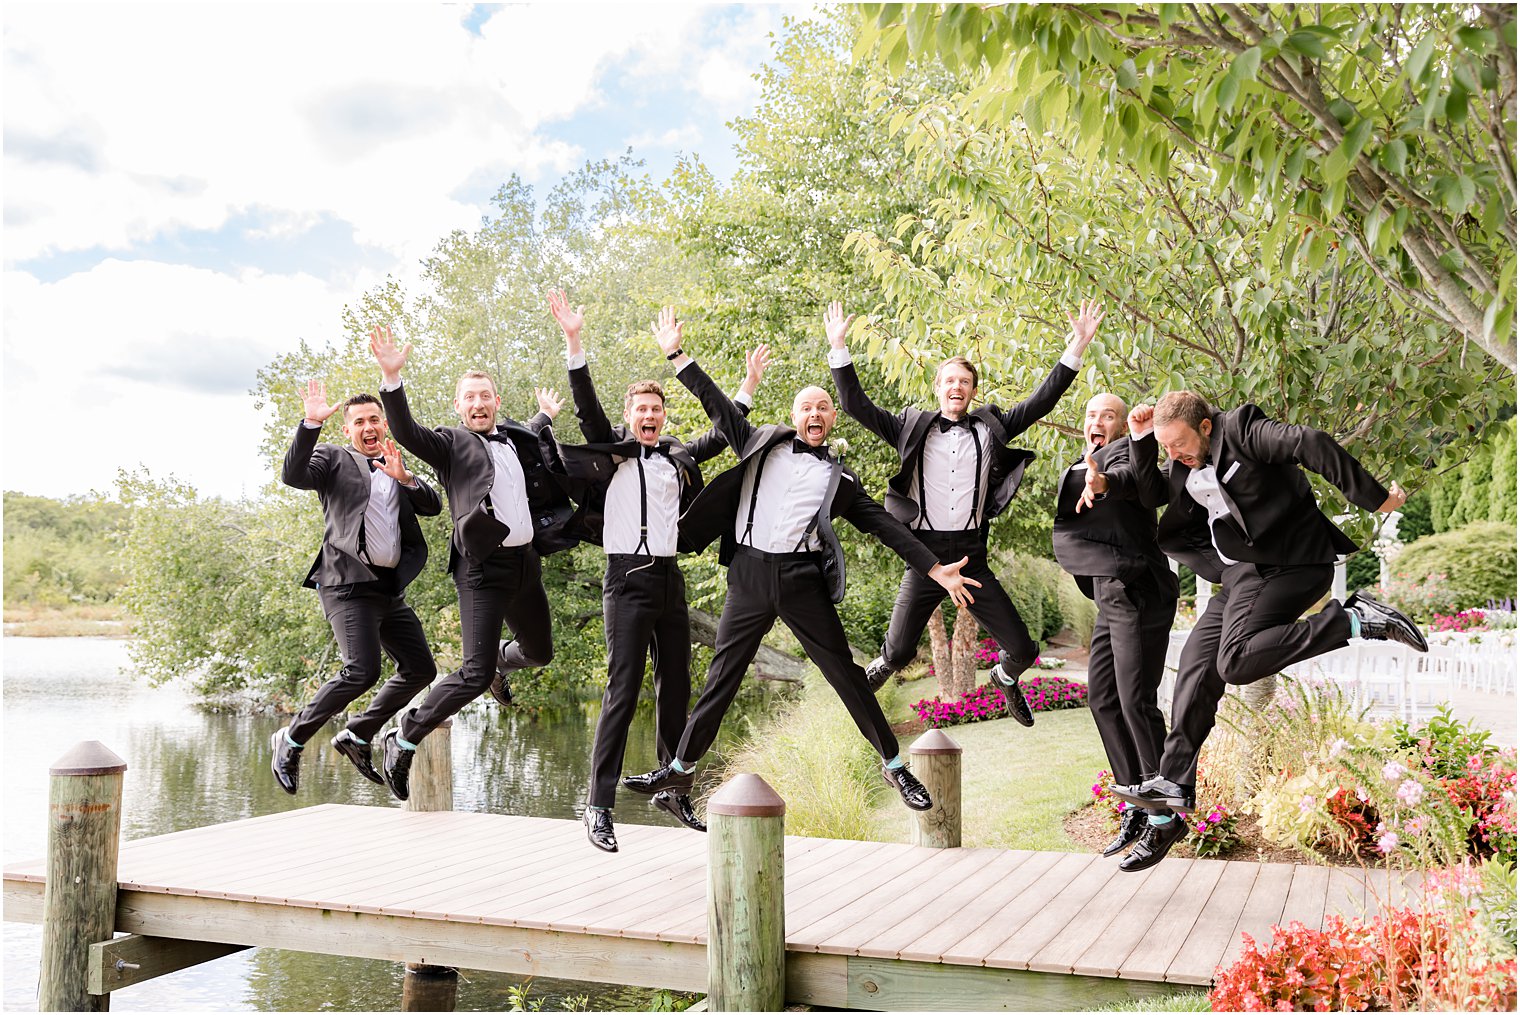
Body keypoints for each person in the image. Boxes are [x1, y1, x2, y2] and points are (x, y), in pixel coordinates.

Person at [622, 308, 982, 815]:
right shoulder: (761, 444)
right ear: (795, 417)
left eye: (824, 408)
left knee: (846, 675)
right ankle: (679, 773)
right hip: (749, 573)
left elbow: (885, 525)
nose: (815, 414)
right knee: (722, 675)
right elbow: (718, 407)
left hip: (800, 579)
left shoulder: (841, 478)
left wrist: (934, 568)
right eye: (807, 407)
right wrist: (678, 355)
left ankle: (896, 767)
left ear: (832, 419)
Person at [1111, 391, 1427, 871]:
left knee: (1234, 662)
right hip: (1241, 575)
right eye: (1166, 448)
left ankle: (1355, 619)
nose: (1174, 456)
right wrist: (1139, 440)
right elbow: (1154, 494)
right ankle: (1169, 806)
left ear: (1206, 426)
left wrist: (1377, 499)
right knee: (1195, 673)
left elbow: (1313, 442)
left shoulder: (1244, 431)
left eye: (1179, 445)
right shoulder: (1178, 457)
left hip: (1292, 565)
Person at [541, 289, 768, 851]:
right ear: (628, 417)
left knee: (679, 685)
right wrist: (574, 340)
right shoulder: (611, 456)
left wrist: (748, 388)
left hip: (669, 579)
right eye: (641, 410)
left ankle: (672, 785)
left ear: (664, 417)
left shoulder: (675, 457)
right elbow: (588, 406)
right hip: (624, 581)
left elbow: (723, 432)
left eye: (657, 411)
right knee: (623, 689)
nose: (649, 416)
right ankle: (597, 806)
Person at [826, 300, 1104, 721]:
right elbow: (855, 404)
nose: (957, 387)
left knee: (1024, 649)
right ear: (938, 387)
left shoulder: (990, 429)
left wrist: (1077, 347)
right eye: (950, 380)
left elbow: (1040, 402)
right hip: (925, 556)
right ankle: (883, 663)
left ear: (974, 391)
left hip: (972, 556)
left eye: (965, 382)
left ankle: (1004, 678)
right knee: (899, 652)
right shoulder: (909, 427)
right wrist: (839, 348)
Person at [369, 325, 577, 800]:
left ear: (496, 401)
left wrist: (544, 415)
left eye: (485, 396)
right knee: (472, 673)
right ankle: (403, 736)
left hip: (526, 566)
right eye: (469, 398)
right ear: (459, 407)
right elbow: (404, 431)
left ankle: (500, 664)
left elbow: (533, 432)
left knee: (540, 651)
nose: (478, 403)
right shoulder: (450, 445)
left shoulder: (514, 440)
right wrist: (392, 378)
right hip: (481, 570)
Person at [272, 384, 442, 794]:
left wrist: (407, 480)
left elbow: (433, 506)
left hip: (387, 588)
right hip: (346, 583)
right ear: (348, 430)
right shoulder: (333, 459)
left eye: (374, 420)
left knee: (421, 668)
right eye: (359, 422)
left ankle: (358, 733)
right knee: (361, 670)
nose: (368, 427)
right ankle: (290, 739)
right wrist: (311, 424)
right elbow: (293, 475)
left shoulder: (395, 462)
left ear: (384, 424)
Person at [1052, 395, 1178, 867]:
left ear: (1123, 424)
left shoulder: (1130, 454)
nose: (1097, 422)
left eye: (1107, 415)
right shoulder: (1084, 461)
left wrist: (1104, 481)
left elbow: (1143, 488)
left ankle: (1165, 815)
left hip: (1135, 587)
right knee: (1102, 697)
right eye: (1090, 415)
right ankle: (1135, 800)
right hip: (1109, 593)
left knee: (1134, 698)